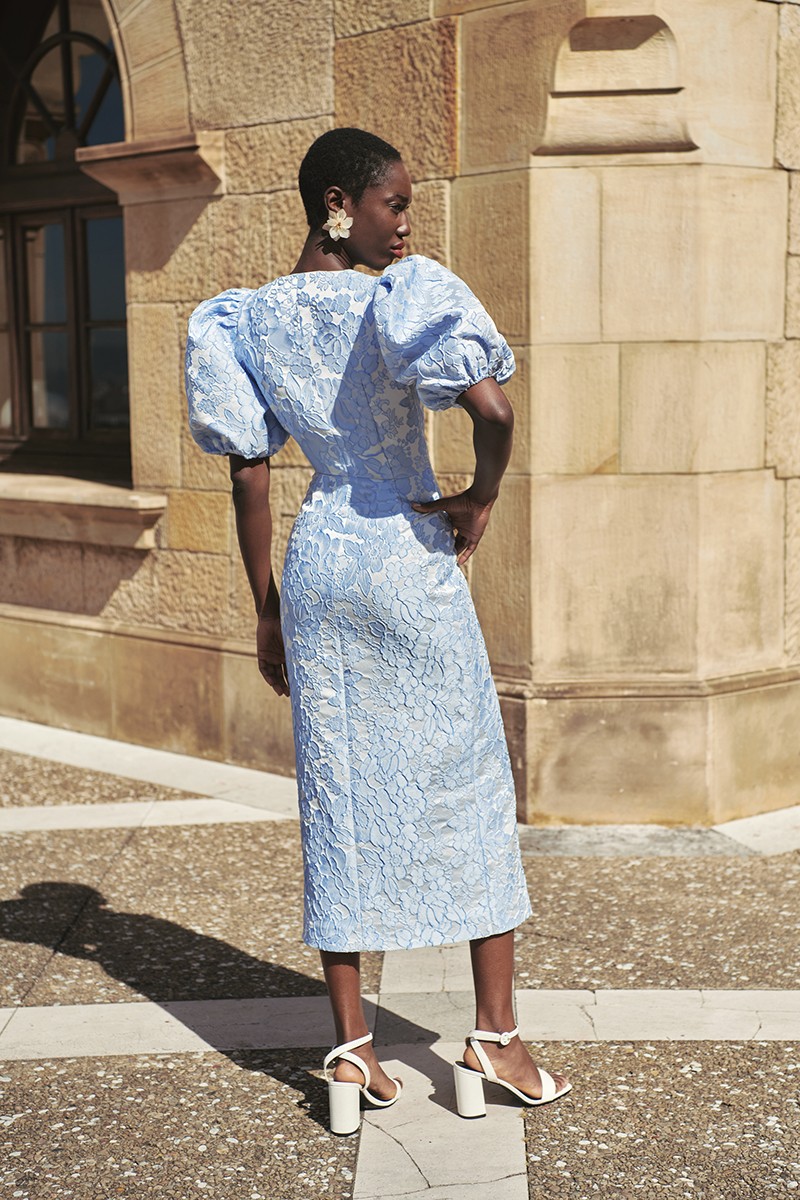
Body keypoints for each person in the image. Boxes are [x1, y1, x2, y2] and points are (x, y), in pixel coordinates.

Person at [184, 127, 571, 1135]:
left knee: (337, 795)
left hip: (318, 565)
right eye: (393, 204)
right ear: (338, 204)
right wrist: (481, 497)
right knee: (469, 783)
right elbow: (492, 412)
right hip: (404, 552)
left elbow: (249, 475)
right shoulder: (402, 298)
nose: (404, 225)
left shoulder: (241, 319)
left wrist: (266, 605)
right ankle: (494, 1037)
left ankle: (351, 1053)